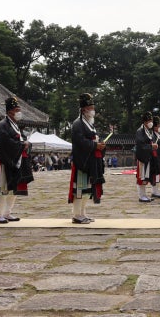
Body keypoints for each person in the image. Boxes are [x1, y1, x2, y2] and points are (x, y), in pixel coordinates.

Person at [0, 96, 34, 223]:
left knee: (13, 189)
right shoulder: (2, 125)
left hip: (16, 159)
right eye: (17, 109)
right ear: (10, 111)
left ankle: (7, 212)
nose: (19, 112)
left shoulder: (14, 124)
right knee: (3, 189)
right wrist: (22, 145)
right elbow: (5, 143)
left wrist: (26, 144)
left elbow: (19, 140)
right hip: (6, 160)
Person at [68, 93, 106, 224]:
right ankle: (76, 214)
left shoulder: (89, 123)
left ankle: (83, 212)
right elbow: (80, 142)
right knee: (80, 189)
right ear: (84, 109)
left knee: (87, 189)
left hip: (90, 159)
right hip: (82, 161)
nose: (93, 110)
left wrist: (99, 144)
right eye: (91, 107)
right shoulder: (78, 123)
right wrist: (95, 145)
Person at [134, 111, 156, 203]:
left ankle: (144, 194)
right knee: (141, 176)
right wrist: (151, 146)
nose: (151, 122)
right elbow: (140, 145)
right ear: (145, 122)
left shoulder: (147, 131)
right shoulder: (140, 131)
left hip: (147, 156)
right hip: (142, 157)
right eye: (149, 120)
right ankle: (141, 195)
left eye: (151, 120)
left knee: (145, 176)